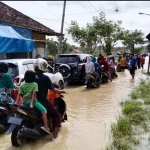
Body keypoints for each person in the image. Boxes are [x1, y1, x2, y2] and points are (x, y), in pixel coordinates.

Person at [33, 58, 66, 140]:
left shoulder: (31, 76)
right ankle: (54, 137)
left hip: (31, 101)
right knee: (56, 115)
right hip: (42, 101)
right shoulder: (45, 78)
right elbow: (54, 90)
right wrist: (61, 91)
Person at [16, 70, 52, 135]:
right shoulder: (34, 84)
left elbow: (20, 94)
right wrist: (32, 103)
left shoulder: (22, 84)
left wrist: (16, 102)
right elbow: (34, 94)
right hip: (34, 102)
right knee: (44, 111)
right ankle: (46, 126)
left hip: (24, 101)